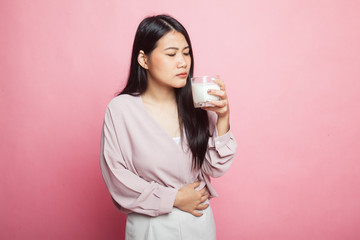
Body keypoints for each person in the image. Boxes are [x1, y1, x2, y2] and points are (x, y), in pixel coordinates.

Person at [100, 14, 237, 240]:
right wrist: (173, 198)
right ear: (144, 60)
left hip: (199, 224)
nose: (182, 62)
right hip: (151, 227)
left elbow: (215, 168)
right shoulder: (121, 110)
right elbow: (117, 177)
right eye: (172, 54)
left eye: (186, 53)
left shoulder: (198, 103)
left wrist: (223, 117)